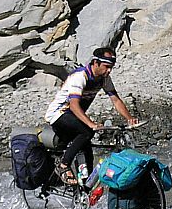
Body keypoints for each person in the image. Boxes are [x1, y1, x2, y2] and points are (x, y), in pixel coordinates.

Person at [44, 47, 138, 186]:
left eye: (111, 67)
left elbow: (116, 100)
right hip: (59, 114)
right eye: (106, 67)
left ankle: (84, 186)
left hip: (73, 115)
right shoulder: (80, 76)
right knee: (87, 132)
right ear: (96, 63)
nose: (109, 71)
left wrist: (129, 118)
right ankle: (63, 165)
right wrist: (91, 124)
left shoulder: (104, 79)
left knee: (86, 148)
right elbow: (74, 105)